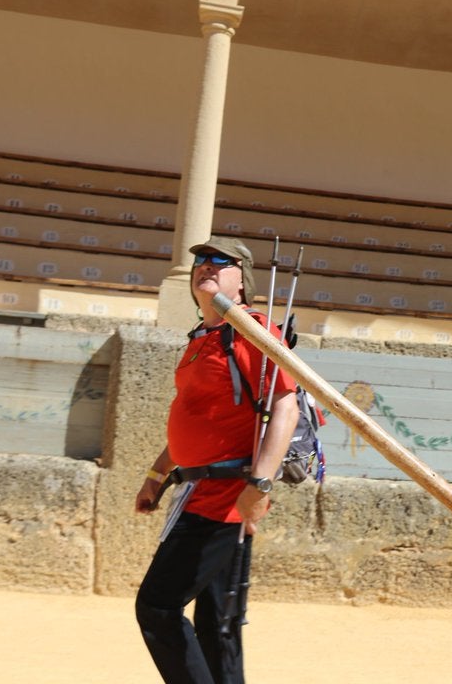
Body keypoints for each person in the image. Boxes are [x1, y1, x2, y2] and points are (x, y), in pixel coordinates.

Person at [134, 236, 301, 684]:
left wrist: (259, 485)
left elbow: (286, 405)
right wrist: (157, 473)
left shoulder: (251, 329)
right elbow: (195, 417)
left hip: (224, 493)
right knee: (217, 623)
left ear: (241, 282)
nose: (205, 266)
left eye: (220, 262)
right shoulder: (202, 339)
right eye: (200, 262)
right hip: (196, 487)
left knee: (158, 606)